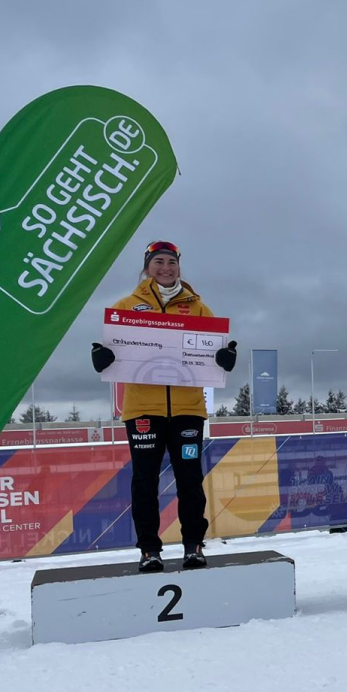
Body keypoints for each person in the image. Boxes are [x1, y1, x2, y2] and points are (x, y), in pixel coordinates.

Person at [90, 241, 237, 572]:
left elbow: (217, 355)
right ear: (147, 267)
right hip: (143, 410)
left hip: (188, 410)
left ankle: (193, 546)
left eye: (171, 262)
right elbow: (111, 354)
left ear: (179, 267)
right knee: (144, 481)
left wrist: (225, 358)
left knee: (189, 479)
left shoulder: (200, 308)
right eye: (158, 261)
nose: (165, 267)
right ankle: (149, 550)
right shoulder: (127, 306)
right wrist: (102, 359)